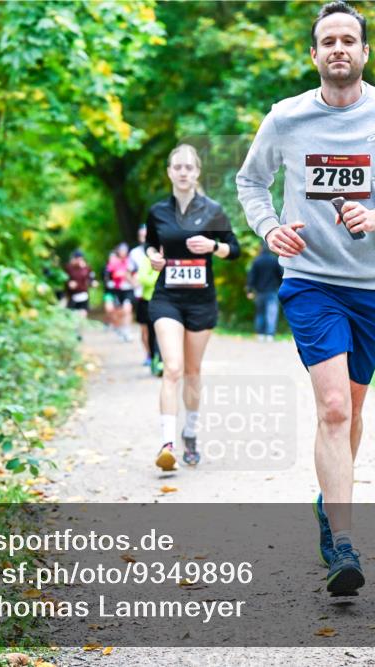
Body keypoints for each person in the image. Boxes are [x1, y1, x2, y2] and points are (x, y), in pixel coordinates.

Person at [236, 1, 375, 595]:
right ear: (315, 54)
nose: (339, 48)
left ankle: (330, 500)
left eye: (350, 39)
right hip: (310, 280)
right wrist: (269, 229)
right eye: (329, 41)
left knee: (353, 409)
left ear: (366, 52)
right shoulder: (286, 118)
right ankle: (343, 545)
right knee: (333, 410)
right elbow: (251, 182)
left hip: (374, 288)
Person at [146, 144, 241, 470]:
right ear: (170, 172)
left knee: (192, 371)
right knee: (172, 368)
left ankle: (190, 433)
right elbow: (149, 246)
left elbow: (235, 248)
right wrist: (153, 258)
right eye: (178, 167)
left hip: (201, 300)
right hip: (167, 298)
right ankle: (167, 444)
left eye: (189, 167)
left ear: (197, 172)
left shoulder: (212, 210)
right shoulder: (158, 211)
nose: (184, 172)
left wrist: (214, 246)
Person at [246, 243, 284, 341]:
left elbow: (251, 277)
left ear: (260, 249)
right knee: (271, 313)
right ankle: (270, 335)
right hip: (272, 291)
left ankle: (260, 334)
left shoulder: (256, 261)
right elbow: (281, 275)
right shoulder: (274, 260)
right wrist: (281, 287)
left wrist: (249, 290)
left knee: (260, 313)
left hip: (259, 292)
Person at [129, 225, 154, 366]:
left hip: (158, 296)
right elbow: (129, 272)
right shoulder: (135, 253)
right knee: (145, 328)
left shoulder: (160, 250)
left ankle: (160, 355)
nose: (144, 238)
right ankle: (148, 355)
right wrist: (134, 283)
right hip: (140, 296)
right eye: (141, 235)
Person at [106, 243, 137, 342]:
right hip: (117, 290)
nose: (123, 252)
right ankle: (120, 329)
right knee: (118, 312)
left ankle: (127, 331)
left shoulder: (130, 261)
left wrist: (132, 281)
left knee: (127, 309)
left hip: (128, 289)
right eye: (121, 250)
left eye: (125, 250)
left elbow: (135, 273)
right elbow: (108, 276)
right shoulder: (113, 262)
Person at [64, 250, 96, 339]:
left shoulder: (86, 268)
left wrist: (92, 283)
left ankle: (79, 333)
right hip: (73, 296)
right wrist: (69, 283)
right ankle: (74, 331)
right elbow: (64, 279)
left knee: (82, 315)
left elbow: (91, 278)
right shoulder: (68, 268)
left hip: (83, 295)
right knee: (73, 316)